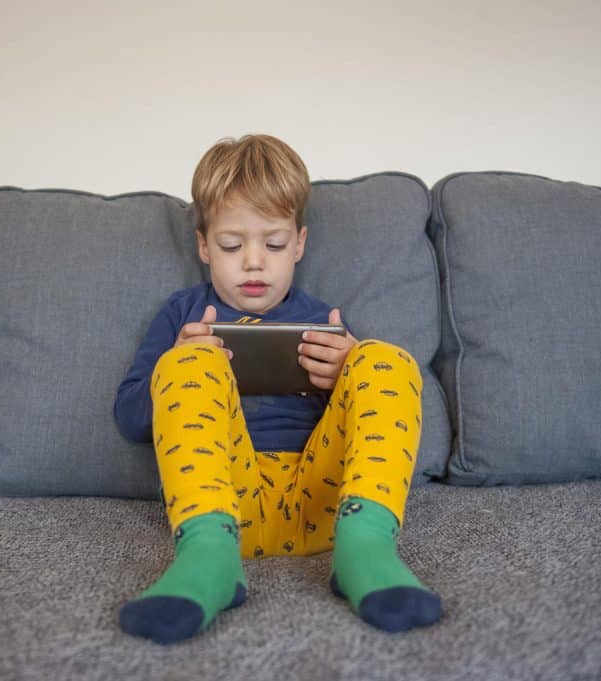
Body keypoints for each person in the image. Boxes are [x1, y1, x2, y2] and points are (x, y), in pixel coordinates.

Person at [113, 134, 442, 644]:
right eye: (230, 245)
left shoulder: (320, 318)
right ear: (203, 245)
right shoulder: (182, 314)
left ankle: (367, 548)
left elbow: (370, 429)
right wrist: (173, 362)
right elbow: (131, 420)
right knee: (191, 358)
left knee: (384, 357)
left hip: (326, 509)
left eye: (273, 244)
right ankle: (208, 559)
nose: (253, 262)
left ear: (300, 244)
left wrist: (346, 372)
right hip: (223, 506)